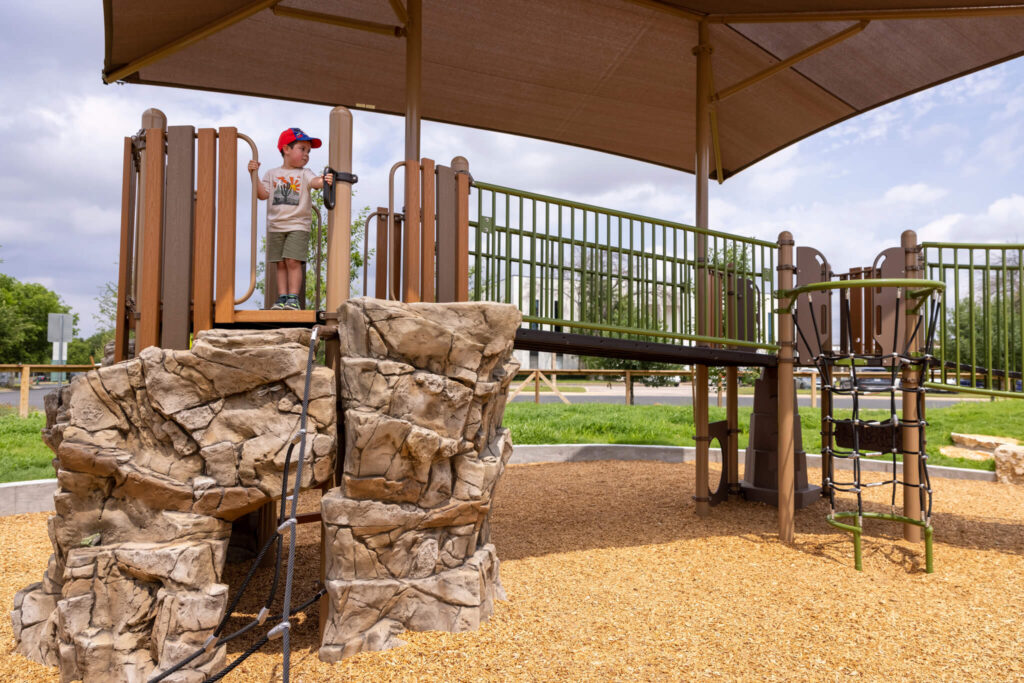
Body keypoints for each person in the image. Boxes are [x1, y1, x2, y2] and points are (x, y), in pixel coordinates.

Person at [248, 128, 332, 310]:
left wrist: (324, 180)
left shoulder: (305, 173)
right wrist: (253, 175)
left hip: (297, 224)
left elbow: (314, 182)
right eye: (302, 149)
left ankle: (293, 298)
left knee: (293, 261)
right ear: (286, 149)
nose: (306, 155)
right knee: (280, 263)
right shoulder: (271, 173)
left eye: (308, 151)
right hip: (276, 225)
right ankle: (282, 297)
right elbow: (262, 195)